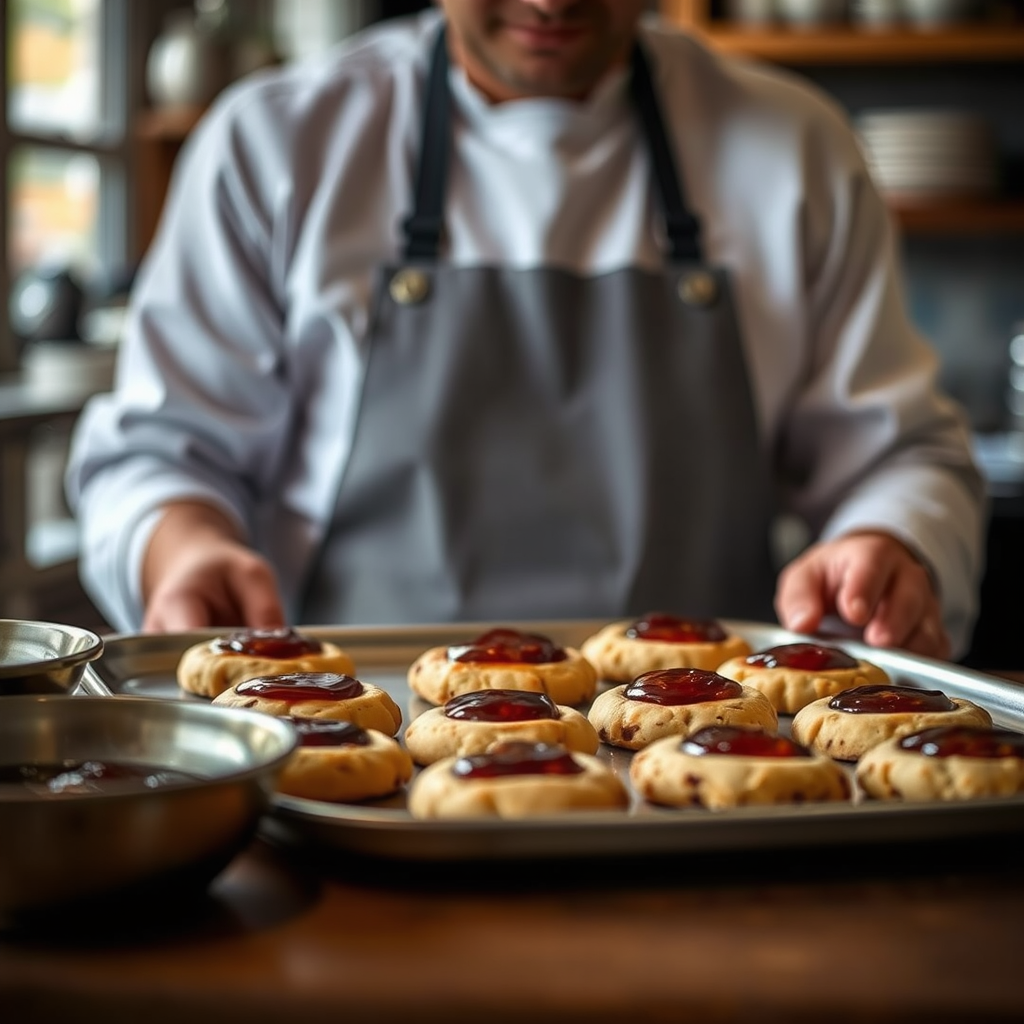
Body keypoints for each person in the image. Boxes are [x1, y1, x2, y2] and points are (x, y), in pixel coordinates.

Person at [65, 0, 986, 661]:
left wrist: (890, 543)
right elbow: (156, 454)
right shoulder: (277, 143)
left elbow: (903, 458)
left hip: (698, 779)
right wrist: (182, 545)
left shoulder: (793, 148)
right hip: (338, 759)